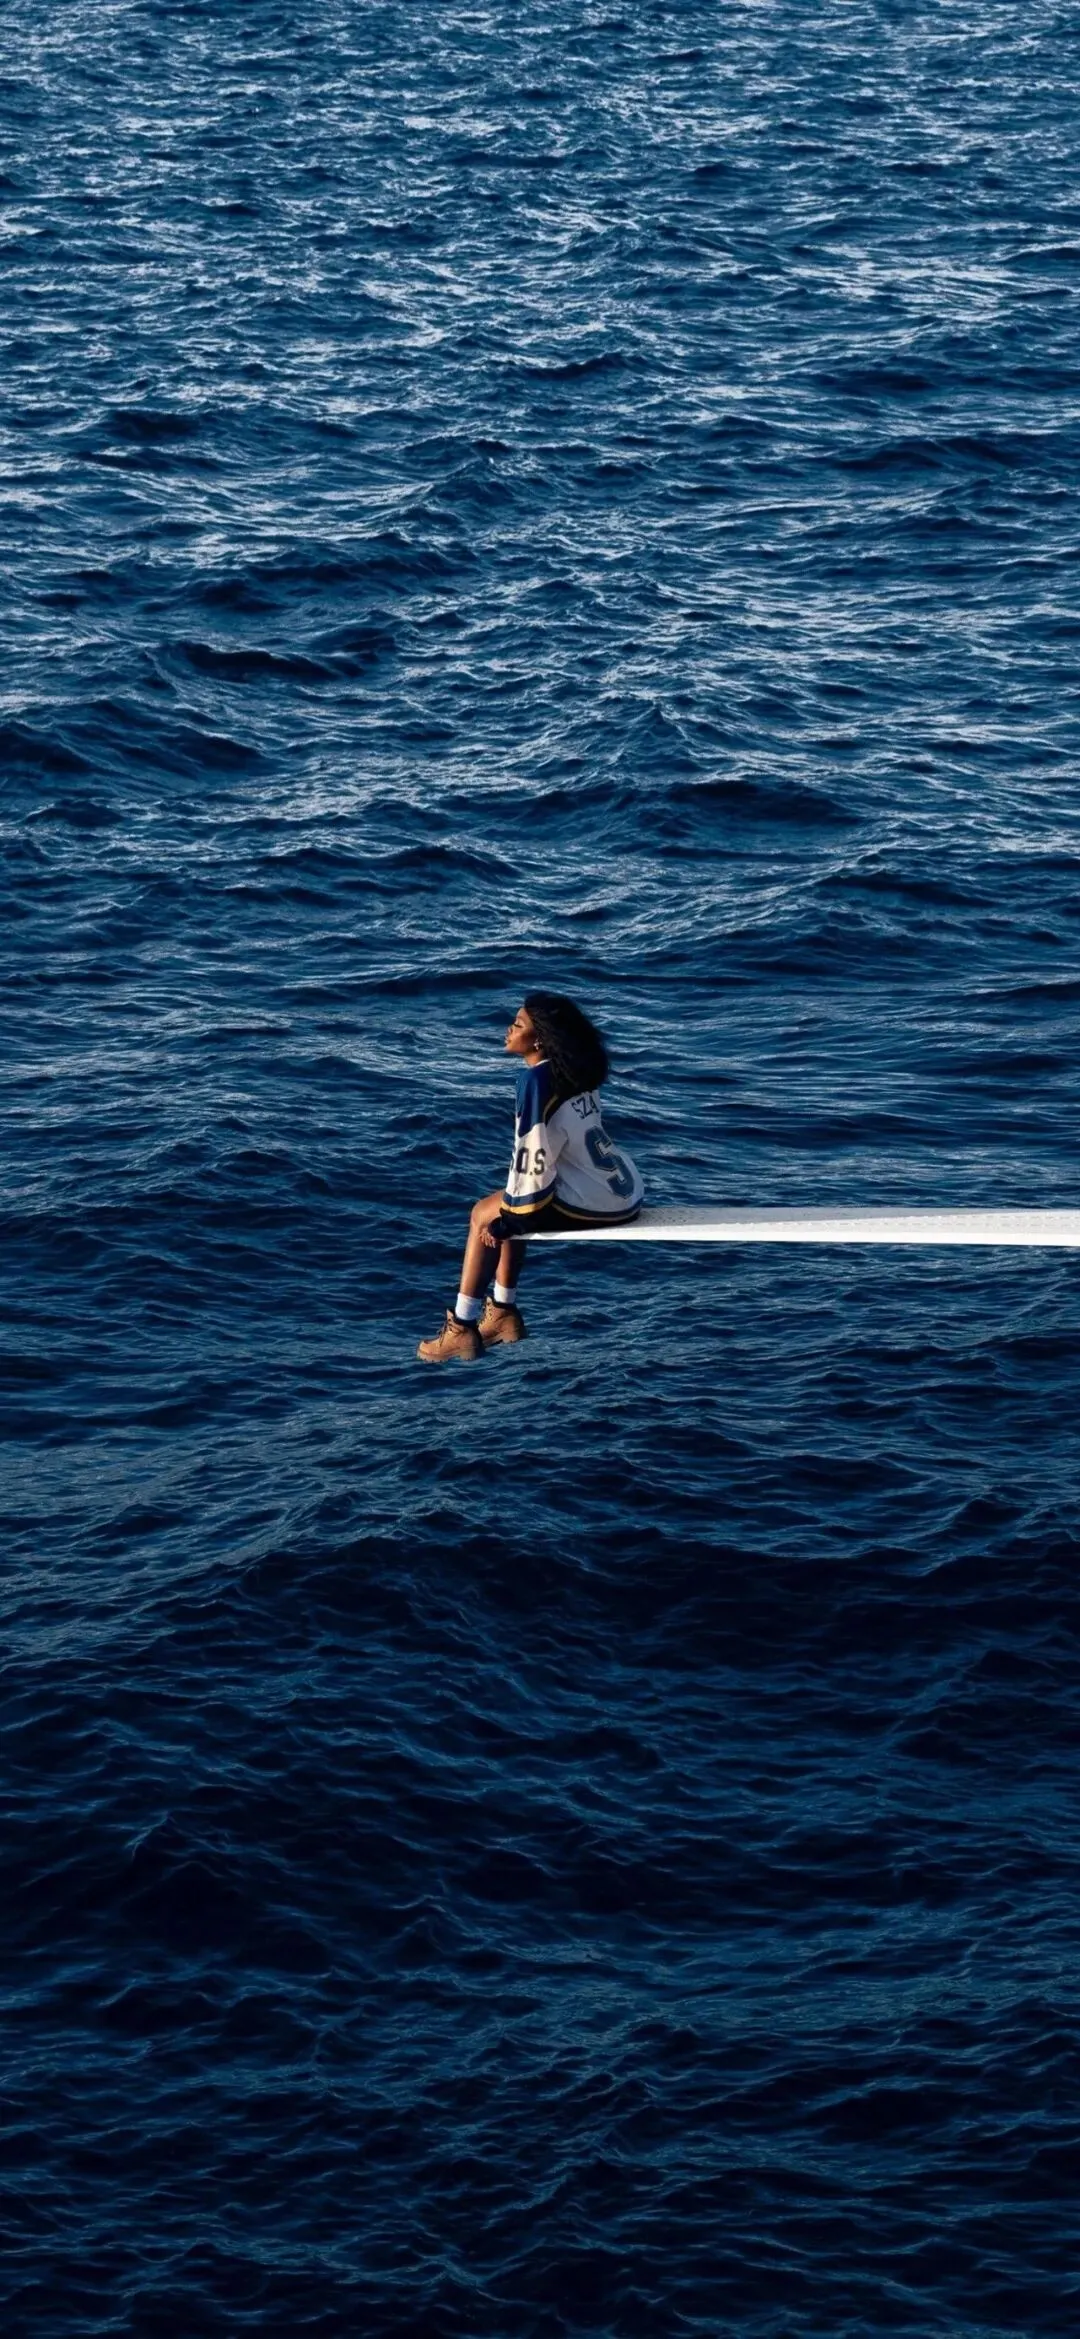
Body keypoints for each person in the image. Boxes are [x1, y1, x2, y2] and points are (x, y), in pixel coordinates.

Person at [417, 992, 644, 1362]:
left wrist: (509, 1222)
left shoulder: (537, 1082)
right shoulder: (576, 1070)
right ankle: (502, 1310)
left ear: (539, 1040)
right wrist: (513, 1214)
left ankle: (462, 1327)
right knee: (509, 1204)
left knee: (484, 1214)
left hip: (595, 1203)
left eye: (518, 1024)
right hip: (624, 1192)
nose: (509, 1029)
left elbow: (532, 1156)